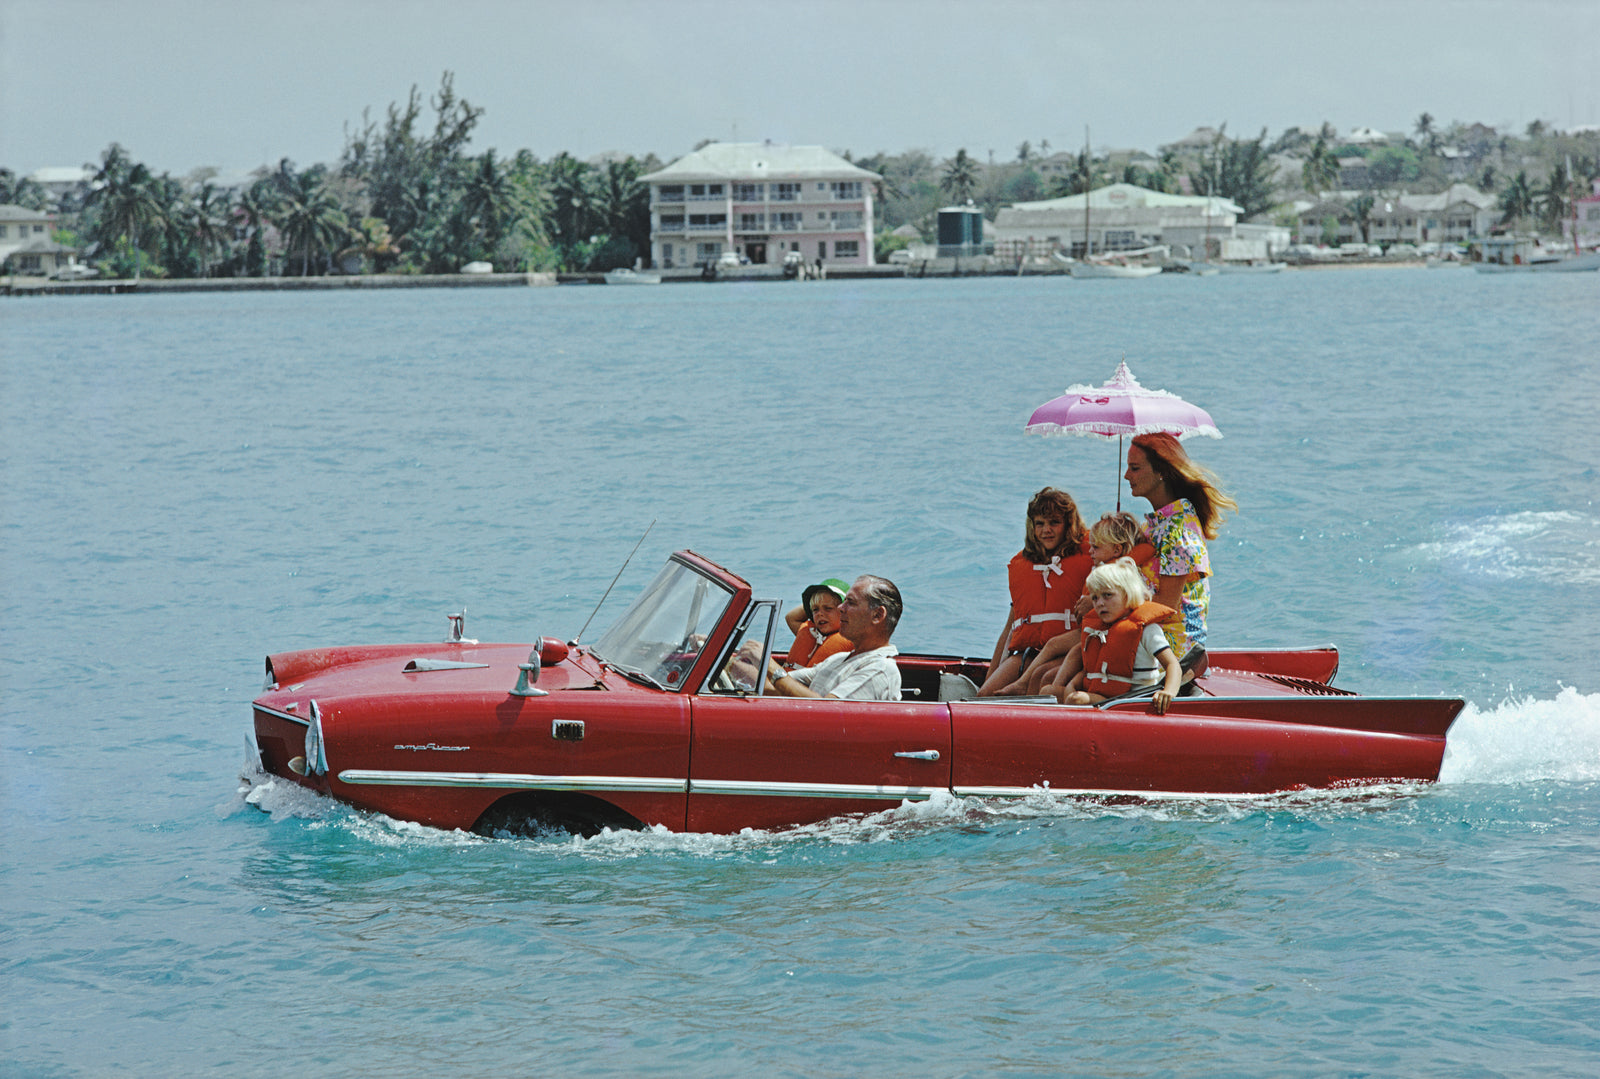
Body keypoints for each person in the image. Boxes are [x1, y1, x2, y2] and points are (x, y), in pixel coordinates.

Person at [1000, 511, 1154, 695]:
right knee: (1054, 648)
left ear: (1116, 550)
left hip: (1103, 631)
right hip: (1090, 628)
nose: (1090, 552)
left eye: (1095, 548)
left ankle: (1039, 688)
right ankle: (1031, 687)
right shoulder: (1106, 566)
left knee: (1052, 655)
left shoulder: (1120, 572)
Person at [1123, 431, 1236, 662]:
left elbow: (1167, 605)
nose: (1126, 476)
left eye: (1135, 468)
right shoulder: (1154, 525)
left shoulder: (1178, 530)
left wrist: (1113, 605)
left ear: (1161, 471)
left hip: (1174, 652)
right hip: (1146, 635)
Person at [977, 487, 1090, 696]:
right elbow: (1010, 627)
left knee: (1038, 681)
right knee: (985, 695)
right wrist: (991, 675)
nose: (1046, 530)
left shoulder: (1087, 560)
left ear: (1068, 525)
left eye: (1054, 522)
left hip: (1066, 650)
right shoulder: (1023, 565)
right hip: (1028, 652)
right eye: (1040, 523)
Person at [1059, 557, 1182, 714]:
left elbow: (1173, 665)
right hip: (1106, 696)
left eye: (1107, 595)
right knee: (1051, 691)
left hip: (1134, 700)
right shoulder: (1099, 631)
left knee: (1077, 700)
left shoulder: (1147, 630)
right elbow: (1090, 670)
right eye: (1095, 598)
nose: (1099, 603)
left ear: (1128, 594)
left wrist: (1169, 692)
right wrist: (1071, 687)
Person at [757, 575, 903, 701]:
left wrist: (768, 665)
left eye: (850, 602)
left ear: (877, 615)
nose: (840, 608)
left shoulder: (880, 670)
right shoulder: (837, 659)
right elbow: (779, 684)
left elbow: (828, 711)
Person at [781, 579, 853, 670]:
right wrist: (814, 603)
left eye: (828, 608)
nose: (820, 614)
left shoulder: (854, 640)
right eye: (815, 609)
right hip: (789, 681)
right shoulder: (813, 632)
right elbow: (791, 617)